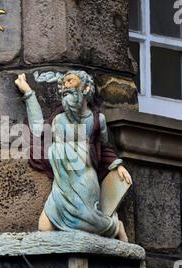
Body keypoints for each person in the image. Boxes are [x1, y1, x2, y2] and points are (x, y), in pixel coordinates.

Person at [15, 70, 131, 242]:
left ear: (86, 88)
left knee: (85, 217)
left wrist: (117, 164)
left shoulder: (97, 120)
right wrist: (29, 93)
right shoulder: (58, 119)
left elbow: (104, 146)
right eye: (63, 84)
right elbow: (38, 129)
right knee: (44, 227)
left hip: (83, 178)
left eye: (70, 81)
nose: (64, 86)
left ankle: (114, 226)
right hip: (62, 182)